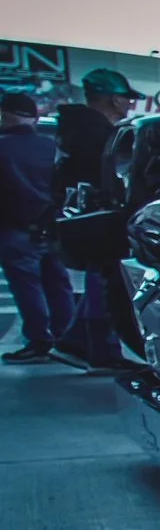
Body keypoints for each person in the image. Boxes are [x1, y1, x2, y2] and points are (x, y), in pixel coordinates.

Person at [51, 66, 145, 368]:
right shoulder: (97, 133)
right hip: (100, 218)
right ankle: (103, 353)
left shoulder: (75, 127)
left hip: (86, 216)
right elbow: (110, 177)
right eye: (125, 98)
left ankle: (75, 344)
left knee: (101, 278)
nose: (129, 105)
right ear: (112, 100)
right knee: (106, 282)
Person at [0, 91, 72, 365]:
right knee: (59, 284)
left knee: (27, 286)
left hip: (14, 229)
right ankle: (66, 339)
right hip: (52, 227)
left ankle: (39, 341)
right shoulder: (51, 146)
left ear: (5, 114)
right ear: (35, 117)